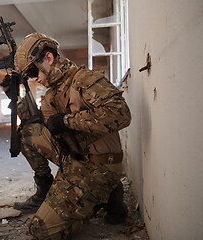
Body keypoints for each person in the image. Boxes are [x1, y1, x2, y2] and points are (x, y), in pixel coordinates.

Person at [13, 32, 132, 239]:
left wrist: (67, 120)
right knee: (28, 133)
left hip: (100, 165)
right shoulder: (51, 94)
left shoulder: (86, 79)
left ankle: (107, 193)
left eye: (33, 71)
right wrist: (23, 107)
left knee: (42, 231)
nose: (34, 79)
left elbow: (121, 115)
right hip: (75, 160)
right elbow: (48, 131)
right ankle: (48, 190)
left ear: (48, 58)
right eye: (29, 76)